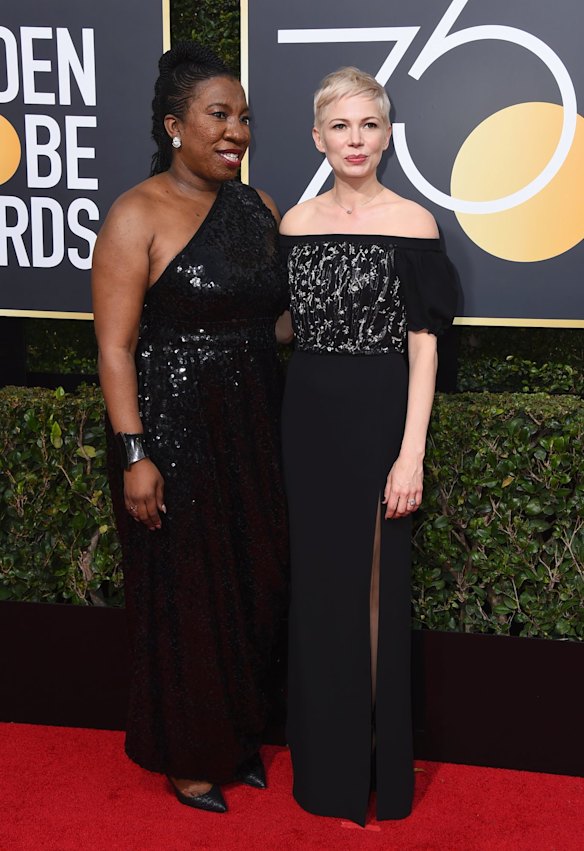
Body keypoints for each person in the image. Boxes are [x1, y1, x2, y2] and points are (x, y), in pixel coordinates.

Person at [92, 42, 289, 814]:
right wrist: (134, 452)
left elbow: (271, 322)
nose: (236, 130)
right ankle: (188, 755)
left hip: (255, 427)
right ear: (175, 125)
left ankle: (236, 738)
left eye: (243, 116)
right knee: (188, 597)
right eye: (218, 115)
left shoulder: (259, 206)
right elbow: (115, 347)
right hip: (174, 433)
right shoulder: (135, 213)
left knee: (251, 585)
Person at [280, 67, 458, 825]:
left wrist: (410, 452)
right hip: (307, 417)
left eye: (369, 125)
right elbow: (283, 324)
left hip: (382, 411)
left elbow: (425, 346)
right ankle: (327, 769)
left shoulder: (414, 222)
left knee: (376, 588)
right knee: (319, 590)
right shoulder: (294, 223)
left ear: (387, 135)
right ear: (317, 137)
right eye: (340, 126)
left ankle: (376, 766)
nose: (355, 140)